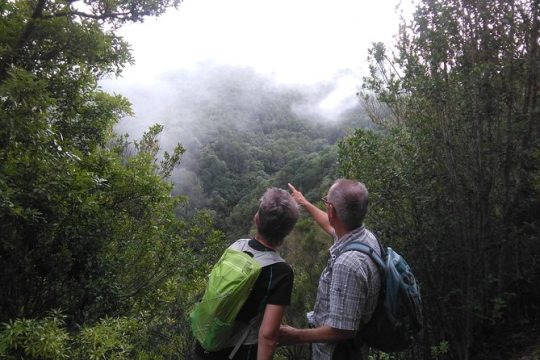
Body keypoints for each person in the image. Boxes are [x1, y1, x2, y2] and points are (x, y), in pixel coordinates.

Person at [279, 180, 382, 360]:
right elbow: (329, 224)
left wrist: (295, 335)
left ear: (332, 211)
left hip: (338, 354)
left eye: (326, 202)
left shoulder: (347, 264)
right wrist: (304, 202)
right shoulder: (364, 238)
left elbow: (343, 330)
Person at [194, 187, 300, 360]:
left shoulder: (237, 246)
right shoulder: (281, 272)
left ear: (256, 218)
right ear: (288, 231)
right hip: (239, 352)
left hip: (204, 344)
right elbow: (268, 336)